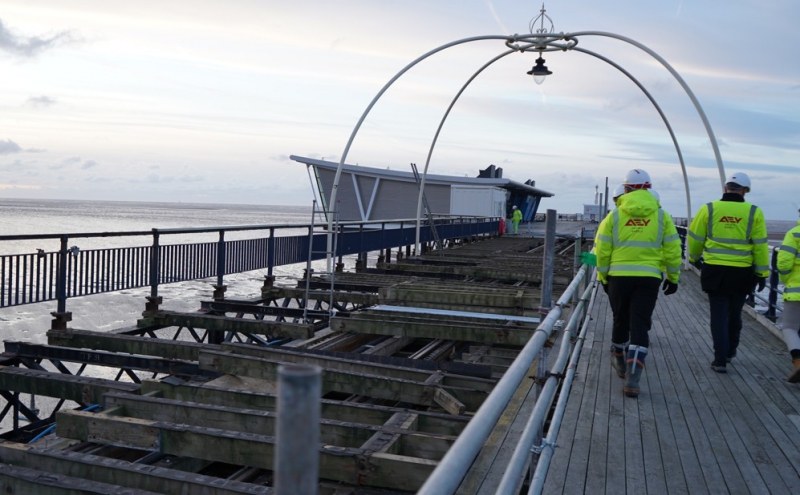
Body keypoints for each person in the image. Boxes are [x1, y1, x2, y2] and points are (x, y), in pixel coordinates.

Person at [595, 168, 682, 397]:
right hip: (649, 278)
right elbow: (673, 250)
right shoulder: (662, 216)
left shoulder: (613, 216)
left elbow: (602, 250)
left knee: (620, 319)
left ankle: (621, 363)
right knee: (640, 324)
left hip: (618, 277)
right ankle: (633, 378)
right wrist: (673, 278)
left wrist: (603, 276)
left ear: (625, 189)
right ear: (649, 188)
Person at [688, 172, 769, 373]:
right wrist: (762, 272)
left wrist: (694, 258)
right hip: (742, 272)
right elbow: (760, 245)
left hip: (714, 270)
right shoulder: (754, 212)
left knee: (718, 313)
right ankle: (731, 349)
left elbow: (695, 237)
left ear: (726, 189)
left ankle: (720, 358)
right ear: (745, 191)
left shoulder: (709, 208)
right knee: (735, 312)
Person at [777, 207, 800, 382]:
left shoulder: (794, 234)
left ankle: (798, 362)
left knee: (790, 327)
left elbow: (784, 263)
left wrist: (787, 280)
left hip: (797, 290)